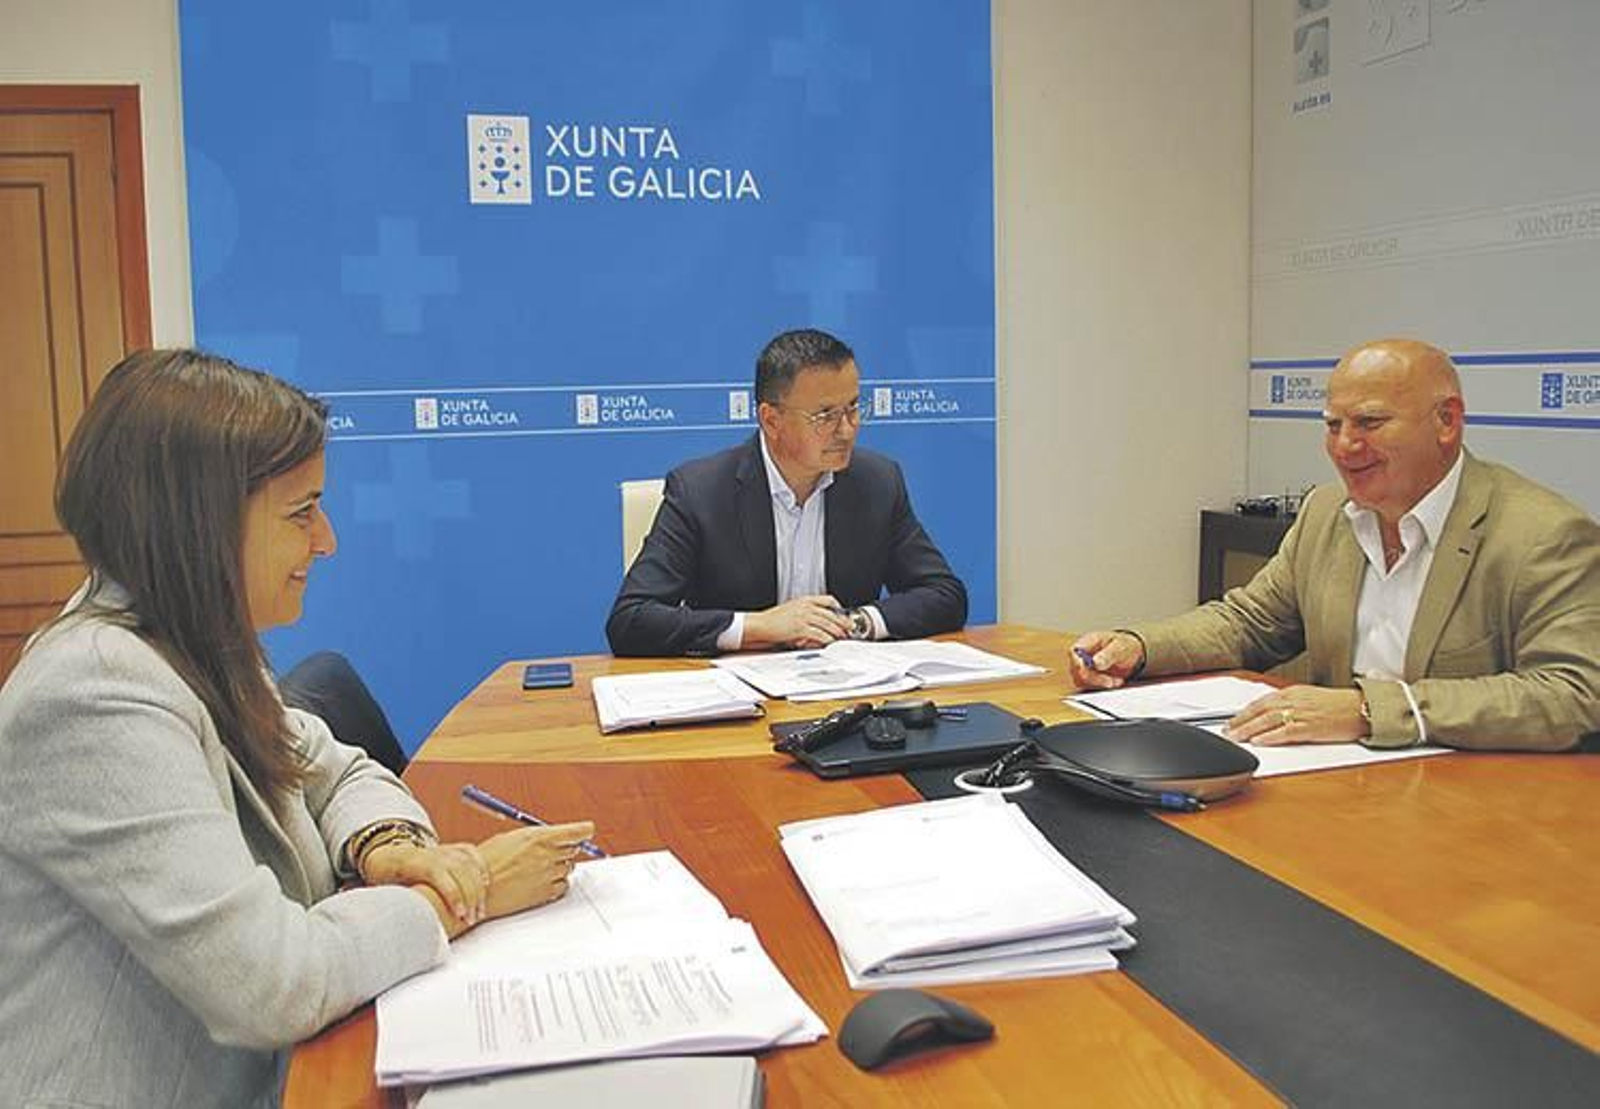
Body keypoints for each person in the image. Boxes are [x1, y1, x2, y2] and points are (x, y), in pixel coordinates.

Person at [0, 350, 596, 1108]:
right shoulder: (94, 692)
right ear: (199, 524)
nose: (327, 540)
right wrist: (464, 892)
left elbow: (334, 767)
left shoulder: (191, 635)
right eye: (299, 511)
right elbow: (268, 981)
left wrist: (387, 846)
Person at [1069, 338, 1600, 752]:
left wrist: (1370, 710)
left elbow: (1574, 694)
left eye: (1370, 422)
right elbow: (1251, 623)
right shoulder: (1327, 512)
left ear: (1447, 422)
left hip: (1485, 815)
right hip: (1344, 793)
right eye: (1333, 425)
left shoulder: (1544, 535)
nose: (1345, 446)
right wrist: (1138, 647)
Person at [606, 328, 968, 656]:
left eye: (854, 408)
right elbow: (631, 620)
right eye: (825, 415)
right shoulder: (700, 491)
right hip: (742, 701)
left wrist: (854, 622)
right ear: (771, 420)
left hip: (848, 696)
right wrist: (761, 626)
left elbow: (945, 595)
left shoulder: (877, 482)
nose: (847, 430)